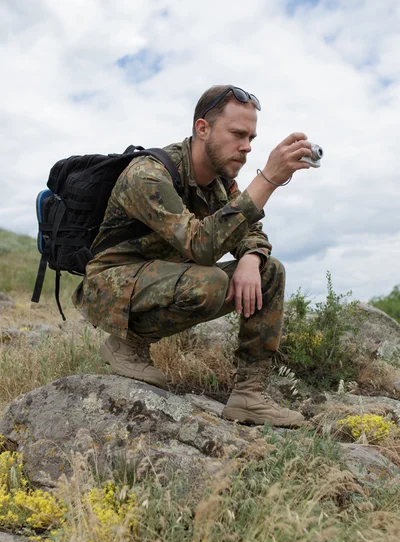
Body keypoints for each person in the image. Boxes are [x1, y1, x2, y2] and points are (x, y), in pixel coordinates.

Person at [72, 85, 313, 427]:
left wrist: (250, 258)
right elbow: (200, 245)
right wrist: (268, 180)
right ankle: (128, 345)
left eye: (251, 138)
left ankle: (249, 395)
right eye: (237, 134)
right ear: (203, 129)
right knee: (210, 281)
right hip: (113, 284)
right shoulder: (148, 175)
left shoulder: (220, 183)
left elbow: (250, 232)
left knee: (269, 271)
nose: (245, 147)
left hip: (163, 278)